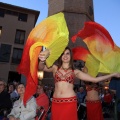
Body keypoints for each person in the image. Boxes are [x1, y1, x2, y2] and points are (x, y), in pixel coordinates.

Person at [38, 46, 120, 120]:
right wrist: (42, 60)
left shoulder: (75, 71)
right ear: (60, 56)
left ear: (71, 56)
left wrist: (114, 74)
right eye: (63, 54)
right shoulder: (55, 68)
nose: (65, 56)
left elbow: (94, 80)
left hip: (69, 103)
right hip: (56, 103)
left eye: (68, 54)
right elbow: (41, 68)